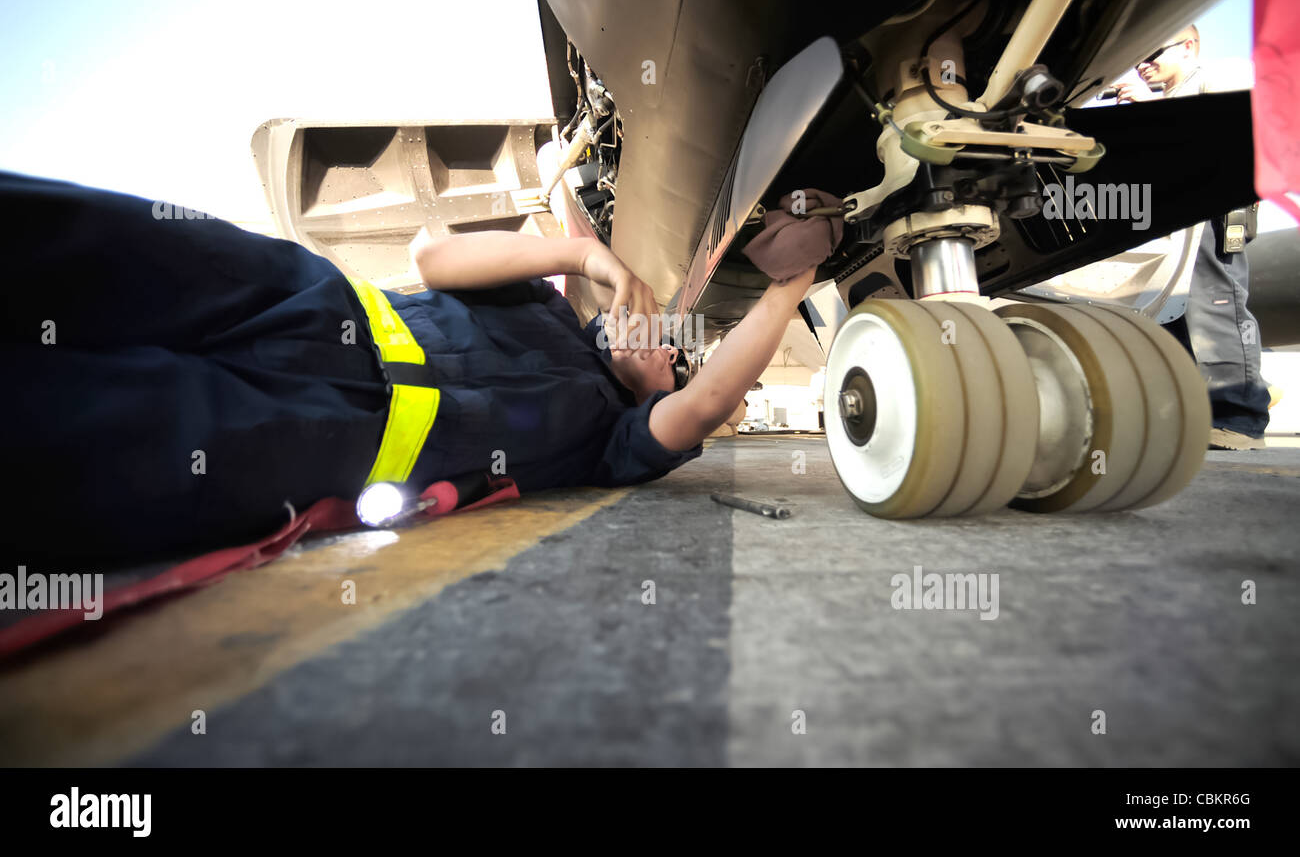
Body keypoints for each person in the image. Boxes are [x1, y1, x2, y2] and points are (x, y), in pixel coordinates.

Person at [1, 172, 826, 564]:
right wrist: (585, 255)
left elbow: (712, 396)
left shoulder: (614, 444)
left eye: (672, 360)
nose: (660, 342)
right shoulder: (540, 305)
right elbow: (432, 256)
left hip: (316, 435)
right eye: (660, 331)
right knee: (87, 247)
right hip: (301, 298)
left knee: (84, 433)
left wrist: (790, 288)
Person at [1110, 25, 1271, 449]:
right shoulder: (1164, 101)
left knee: (1215, 304)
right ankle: (1197, 415)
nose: (1143, 65)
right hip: (1171, 224)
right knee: (1171, 314)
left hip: (1214, 214)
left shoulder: (1220, 76)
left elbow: (1233, 132)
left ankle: (1239, 419)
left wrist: (1156, 114)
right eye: (1137, 59)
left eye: (1151, 52)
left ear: (1188, 46)